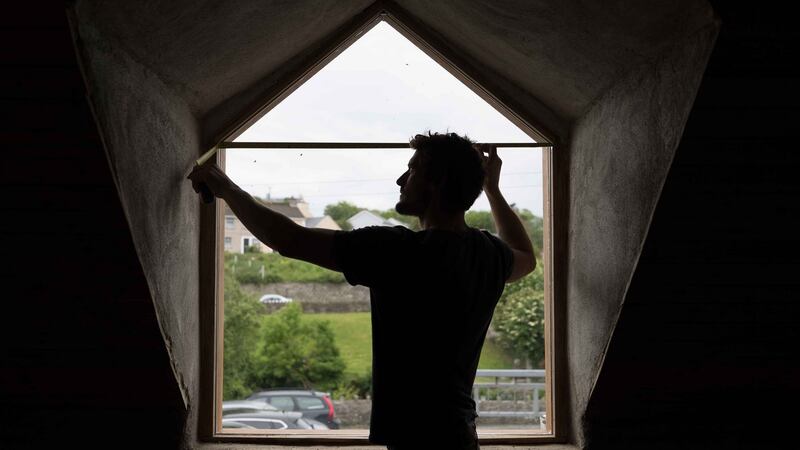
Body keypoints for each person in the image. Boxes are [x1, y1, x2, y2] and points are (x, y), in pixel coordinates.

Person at [189, 132, 536, 449]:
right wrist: (492, 188)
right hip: (460, 433)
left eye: (412, 170)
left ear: (438, 181)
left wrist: (226, 188)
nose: (401, 180)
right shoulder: (487, 254)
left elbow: (289, 239)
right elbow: (527, 257)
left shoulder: (397, 251)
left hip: (415, 439)